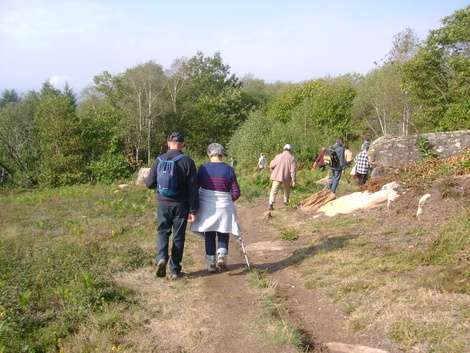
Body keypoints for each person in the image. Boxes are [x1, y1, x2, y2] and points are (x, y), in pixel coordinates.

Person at [145, 132, 199, 279]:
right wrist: (193, 210)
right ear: (183, 145)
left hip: (163, 204)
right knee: (178, 237)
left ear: (168, 143)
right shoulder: (187, 161)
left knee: (163, 232)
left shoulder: (159, 160)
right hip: (181, 205)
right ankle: (175, 271)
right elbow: (193, 188)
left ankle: (162, 257)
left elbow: (149, 184)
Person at [189, 143, 241, 273]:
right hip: (224, 206)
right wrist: (229, 200)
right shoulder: (229, 169)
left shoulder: (202, 168)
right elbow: (236, 192)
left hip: (207, 205)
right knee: (223, 230)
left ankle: (211, 262)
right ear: (222, 154)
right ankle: (222, 255)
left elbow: (195, 187)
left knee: (209, 233)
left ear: (208, 154)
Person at [268, 144, 296, 210]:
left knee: (274, 190)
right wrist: (294, 180)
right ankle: (286, 202)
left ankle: (270, 203)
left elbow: (272, 164)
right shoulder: (292, 158)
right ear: (290, 150)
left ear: (284, 149)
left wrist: (272, 168)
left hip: (277, 176)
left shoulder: (278, 156)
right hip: (286, 177)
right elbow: (293, 170)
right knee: (287, 189)